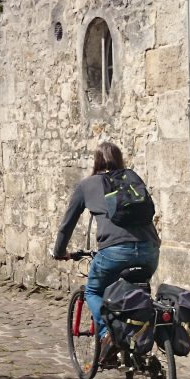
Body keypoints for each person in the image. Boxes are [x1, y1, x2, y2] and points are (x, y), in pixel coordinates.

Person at [51, 142, 160, 366]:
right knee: (138, 295)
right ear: (119, 160)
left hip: (115, 253)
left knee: (92, 290)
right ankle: (140, 345)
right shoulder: (132, 178)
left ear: (96, 161)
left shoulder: (87, 185)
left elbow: (67, 224)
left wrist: (59, 252)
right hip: (150, 250)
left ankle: (106, 335)